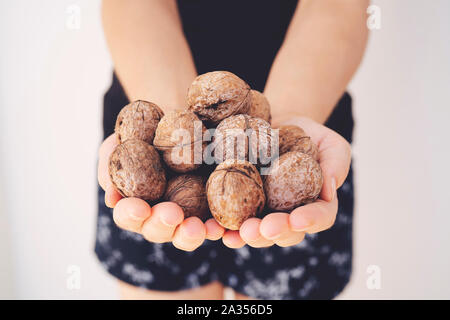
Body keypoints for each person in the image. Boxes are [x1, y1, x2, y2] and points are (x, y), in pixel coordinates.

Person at [96, 0, 368, 300]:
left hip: (310, 104)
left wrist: (290, 112)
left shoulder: (290, 147)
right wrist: (170, 113)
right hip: (150, 94)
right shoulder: (156, 148)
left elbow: (339, 7)